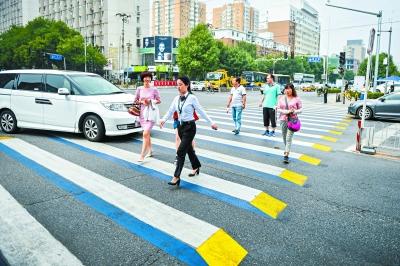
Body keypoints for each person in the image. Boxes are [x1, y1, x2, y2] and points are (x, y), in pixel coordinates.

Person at [159, 76, 218, 187]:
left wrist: (211, 122)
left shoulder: (192, 98)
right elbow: (170, 110)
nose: (178, 87)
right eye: (177, 84)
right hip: (181, 127)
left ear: (187, 85)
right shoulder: (176, 98)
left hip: (190, 127)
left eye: (180, 84)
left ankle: (176, 177)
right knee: (189, 150)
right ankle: (196, 166)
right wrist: (163, 120)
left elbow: (201, 111)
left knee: (181, 151)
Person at [135, 71, 161, 162]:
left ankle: (142, 155)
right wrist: (142, 102)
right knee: (147, 134)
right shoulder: (139, 89)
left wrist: (150, 101)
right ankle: (150, 151)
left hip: (151, 114)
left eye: (149, 77)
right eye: (145, 77)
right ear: (142, 79)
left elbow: (159, 100)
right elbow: (135, 101)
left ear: (150, 78)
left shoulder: (154, 89)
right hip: (142, 114)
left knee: (145, 133)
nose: (147, 79)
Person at [277, 83, 302, 164]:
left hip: (292, 120)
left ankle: (286, 155)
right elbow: (278, 109)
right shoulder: (281, 98)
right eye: (286, 89)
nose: (287, 90)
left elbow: (301, 109)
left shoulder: (296, 99)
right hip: (283, 120)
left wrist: (295, 111)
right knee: (284, 138)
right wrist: (286, 111)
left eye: (289, 89)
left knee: (288, 138)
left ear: (292, 90)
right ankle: (286, 149)